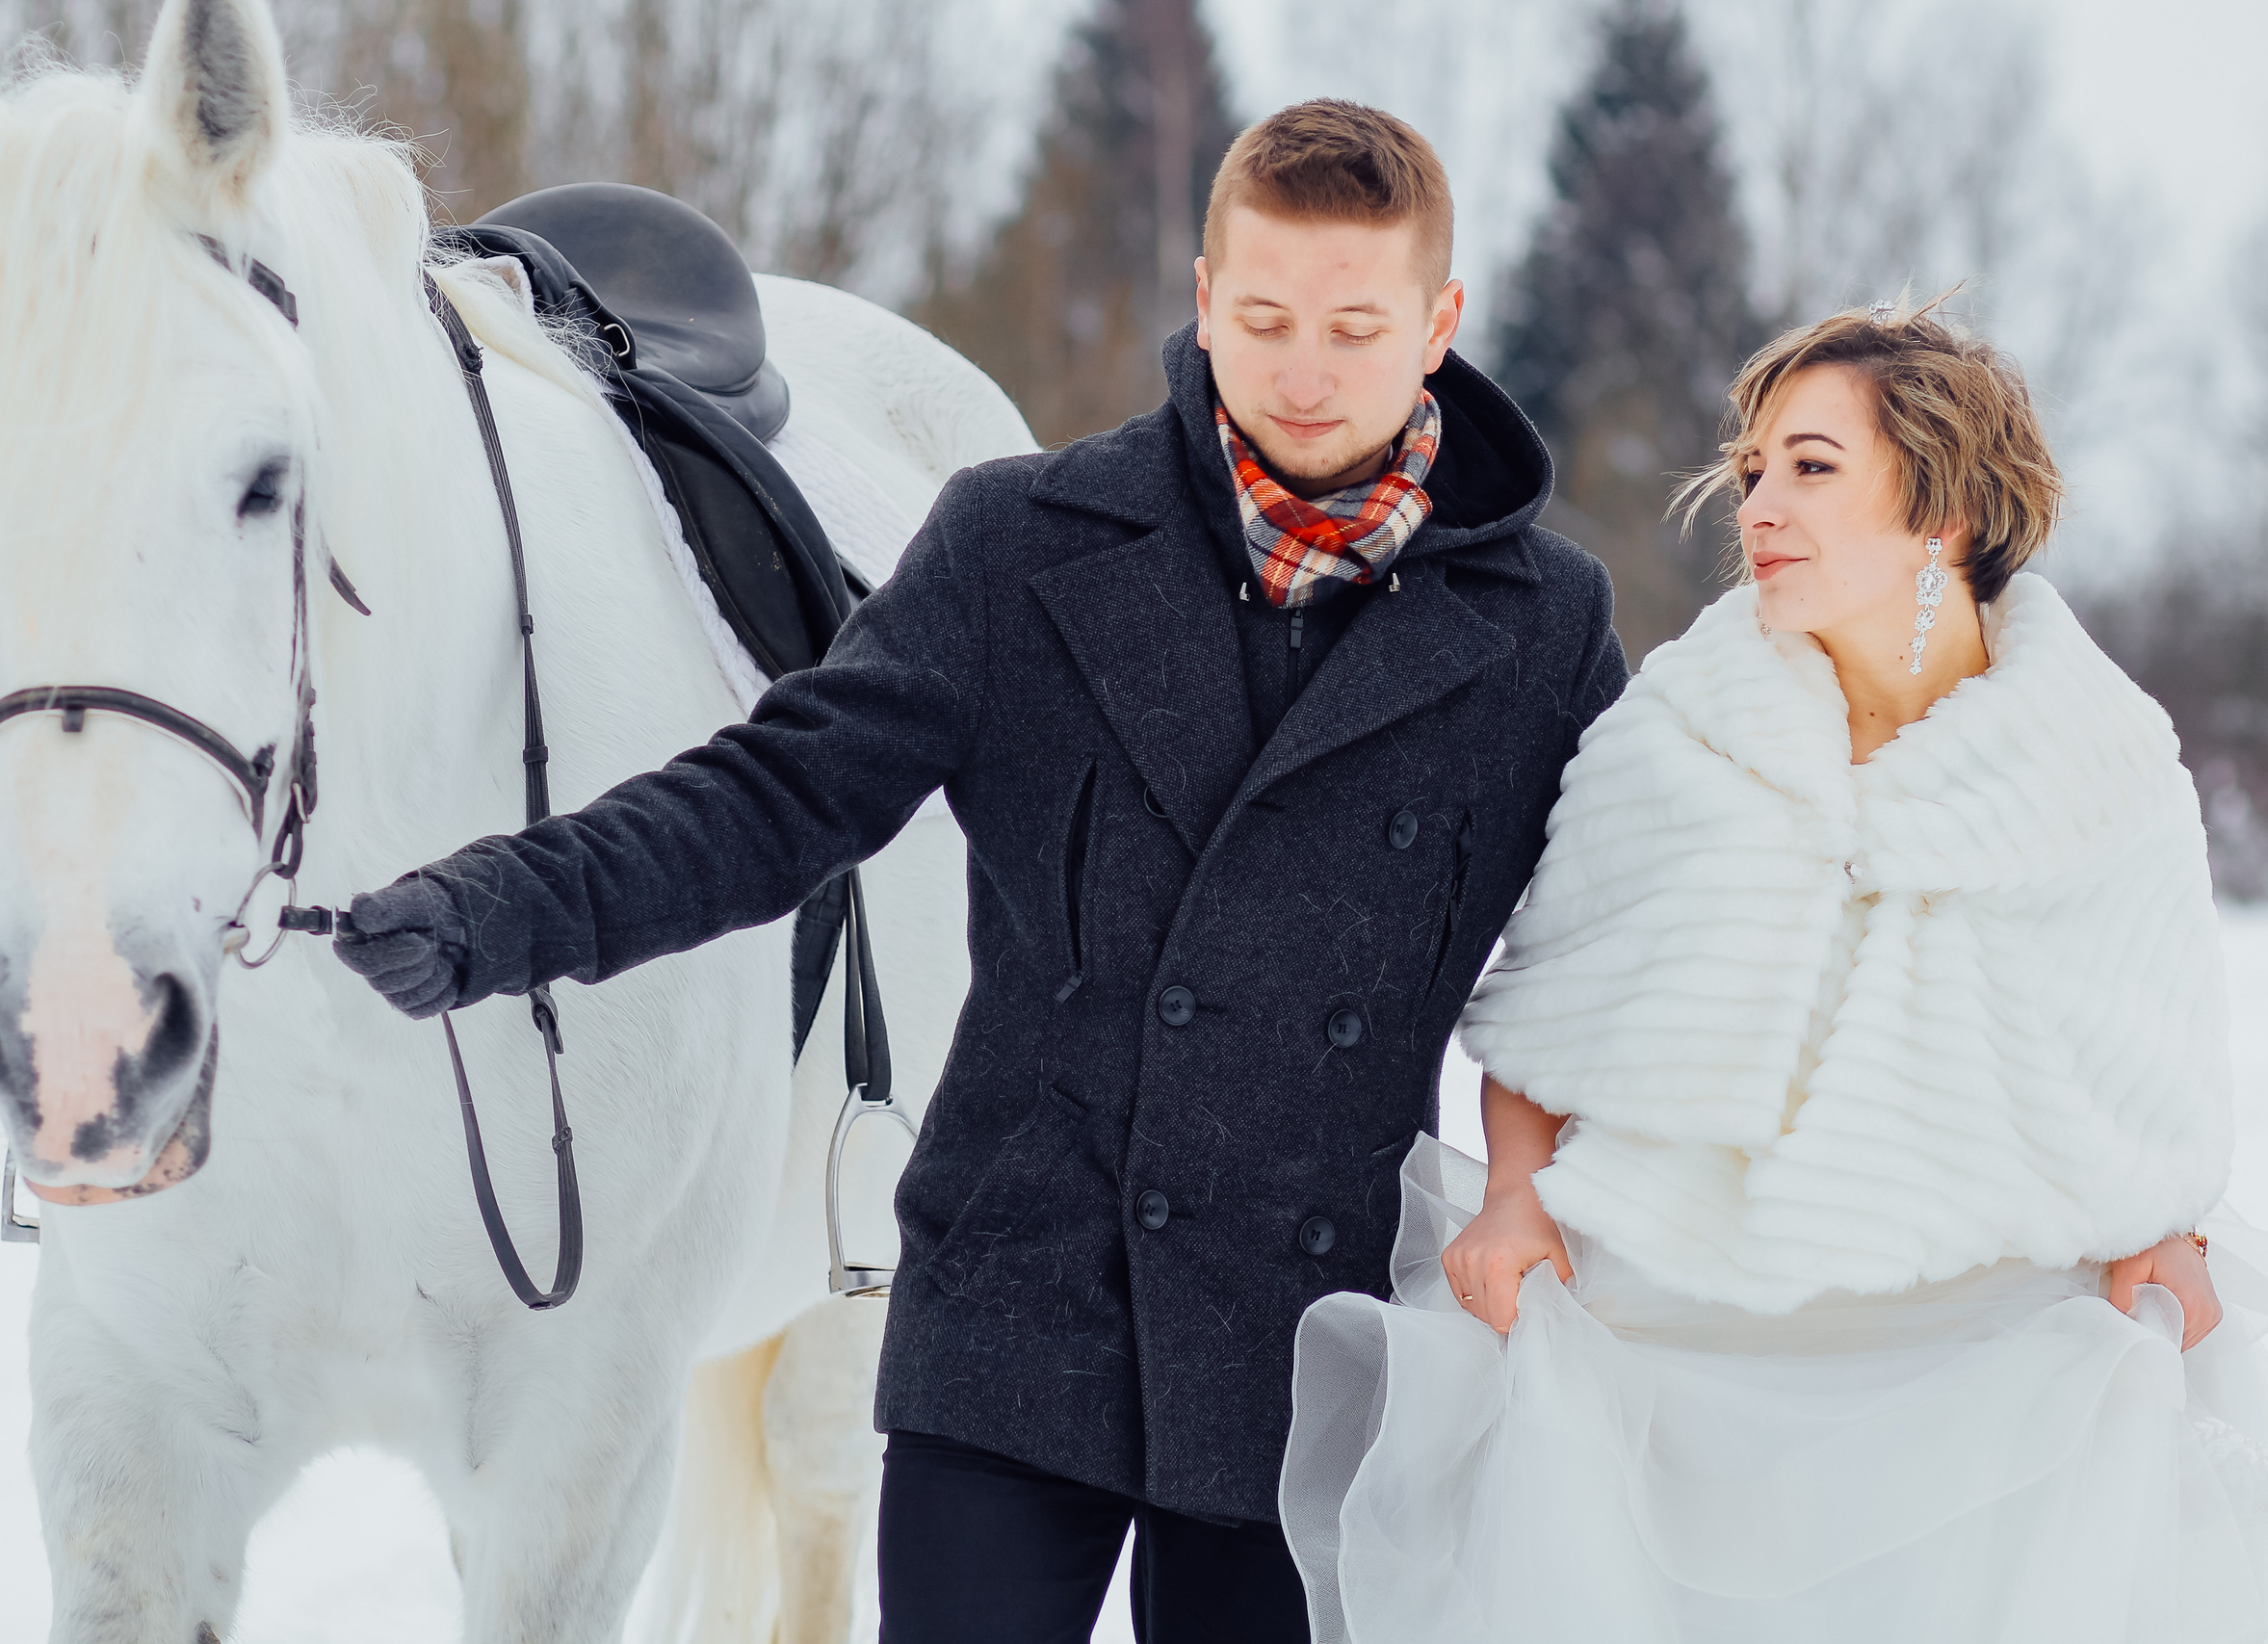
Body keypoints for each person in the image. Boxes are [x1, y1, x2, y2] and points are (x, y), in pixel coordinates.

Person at [331, 100, 1626, 1641]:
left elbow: (1614, 951)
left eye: (1355, 325)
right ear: (1205, 298)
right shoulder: (1022, 543)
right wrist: (495, 911)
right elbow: (774, 797)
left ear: (1437, 324)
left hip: (1312, 1344)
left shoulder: (1541, 631)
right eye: (1265, 316)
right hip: (1018, 1320)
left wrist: (1564, 1193)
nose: (1302, 368)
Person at [1280, 297, 2268, 1643]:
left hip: (1985, 1364)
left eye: (1813, 466)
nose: (1759, 505)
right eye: (1751, 470)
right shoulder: (1672, 742)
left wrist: (2169, 1222)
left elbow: (2156, 1072)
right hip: (1666, 1354)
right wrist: (1513, 1197)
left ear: (1948, 509)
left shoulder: (2104, 766)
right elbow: (1546, 1029)